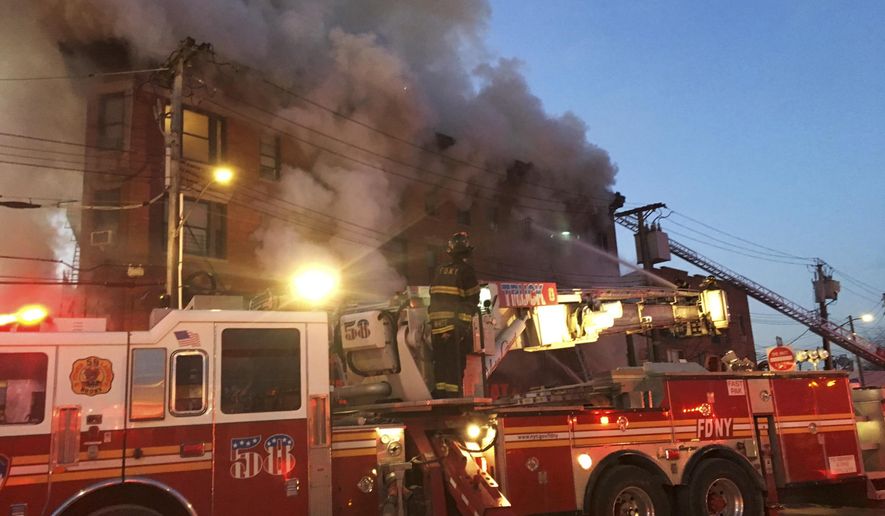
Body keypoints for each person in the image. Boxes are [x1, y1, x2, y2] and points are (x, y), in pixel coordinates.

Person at [428, 232, 480, 398]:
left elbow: (433, 296)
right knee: (454, 363)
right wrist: (462, 327)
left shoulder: (439, 270)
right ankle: (453, 395)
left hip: (436, 327)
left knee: (440, 362)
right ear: (466, 253)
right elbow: (471, 301)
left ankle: (440, 393)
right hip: (452, 326)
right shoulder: (466, 271)